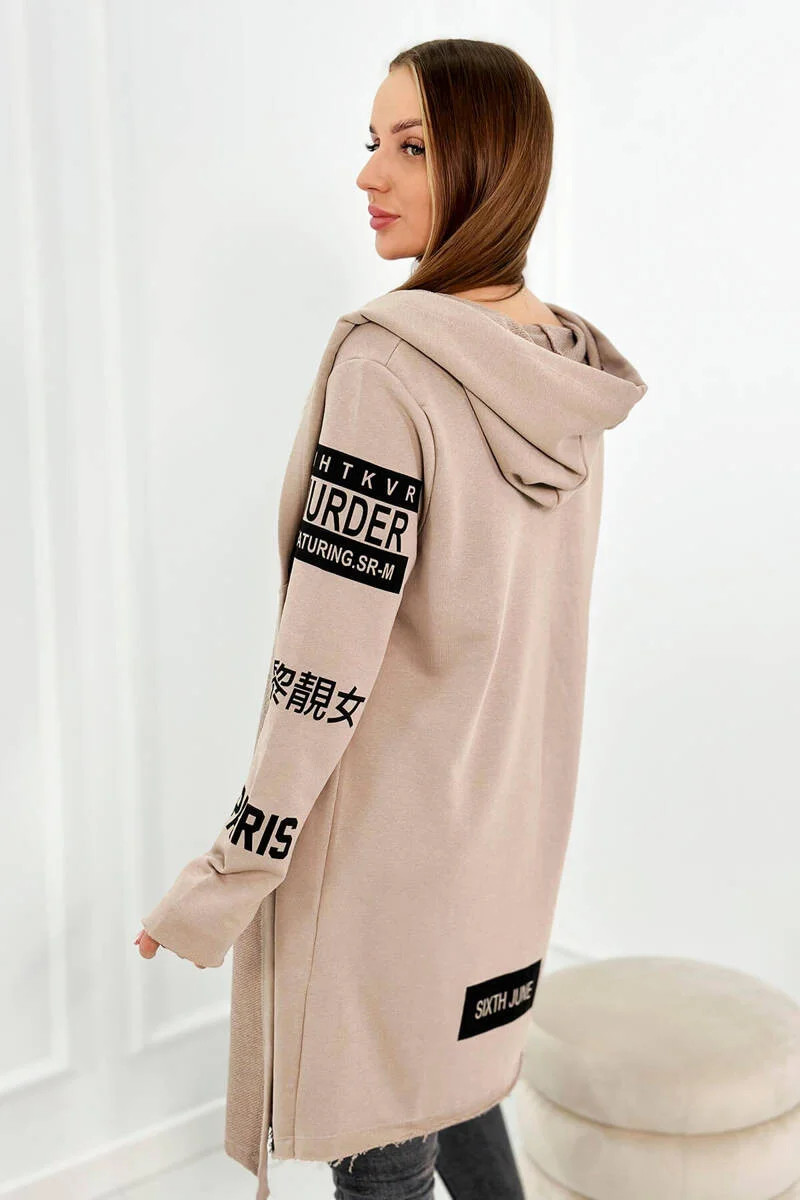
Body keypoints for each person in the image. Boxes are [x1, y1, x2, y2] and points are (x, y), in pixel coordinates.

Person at [135, 37, 647, 1200]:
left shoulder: (389, 370)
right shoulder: (559, 369)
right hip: (506, 849)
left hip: (382, 868)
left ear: (489, 164)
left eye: (410, 146)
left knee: (383, 1157)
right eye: (372, 142)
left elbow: (322, 670)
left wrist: (224, 876)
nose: (368, 173)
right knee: (457, 1088)